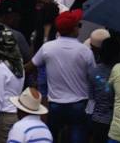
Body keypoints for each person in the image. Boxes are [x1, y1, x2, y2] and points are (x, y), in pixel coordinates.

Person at [31, 10, 94, 142]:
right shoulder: (85, 51)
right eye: (78, 25)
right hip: (78, 104)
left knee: (51, 138)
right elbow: (92, 76)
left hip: (55, 104)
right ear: (73, 29)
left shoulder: (47, 47)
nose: (79, 28)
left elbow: (31, 65)